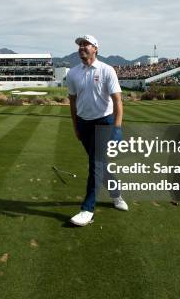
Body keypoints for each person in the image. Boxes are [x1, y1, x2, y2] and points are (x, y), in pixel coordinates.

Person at [66, 35, 128, 227]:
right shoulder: (73, 73)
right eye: (80, 45)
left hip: (104, 122)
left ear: (95, 49)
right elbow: (73, 101)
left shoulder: (106, 70)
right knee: (100, 164)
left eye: (86, 44)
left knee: (96, 164)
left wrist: (117, 129)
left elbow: (117, 100)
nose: (82, 47)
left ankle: (88, 209)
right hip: (84, 124)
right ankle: (116, 193)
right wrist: (76, 127)